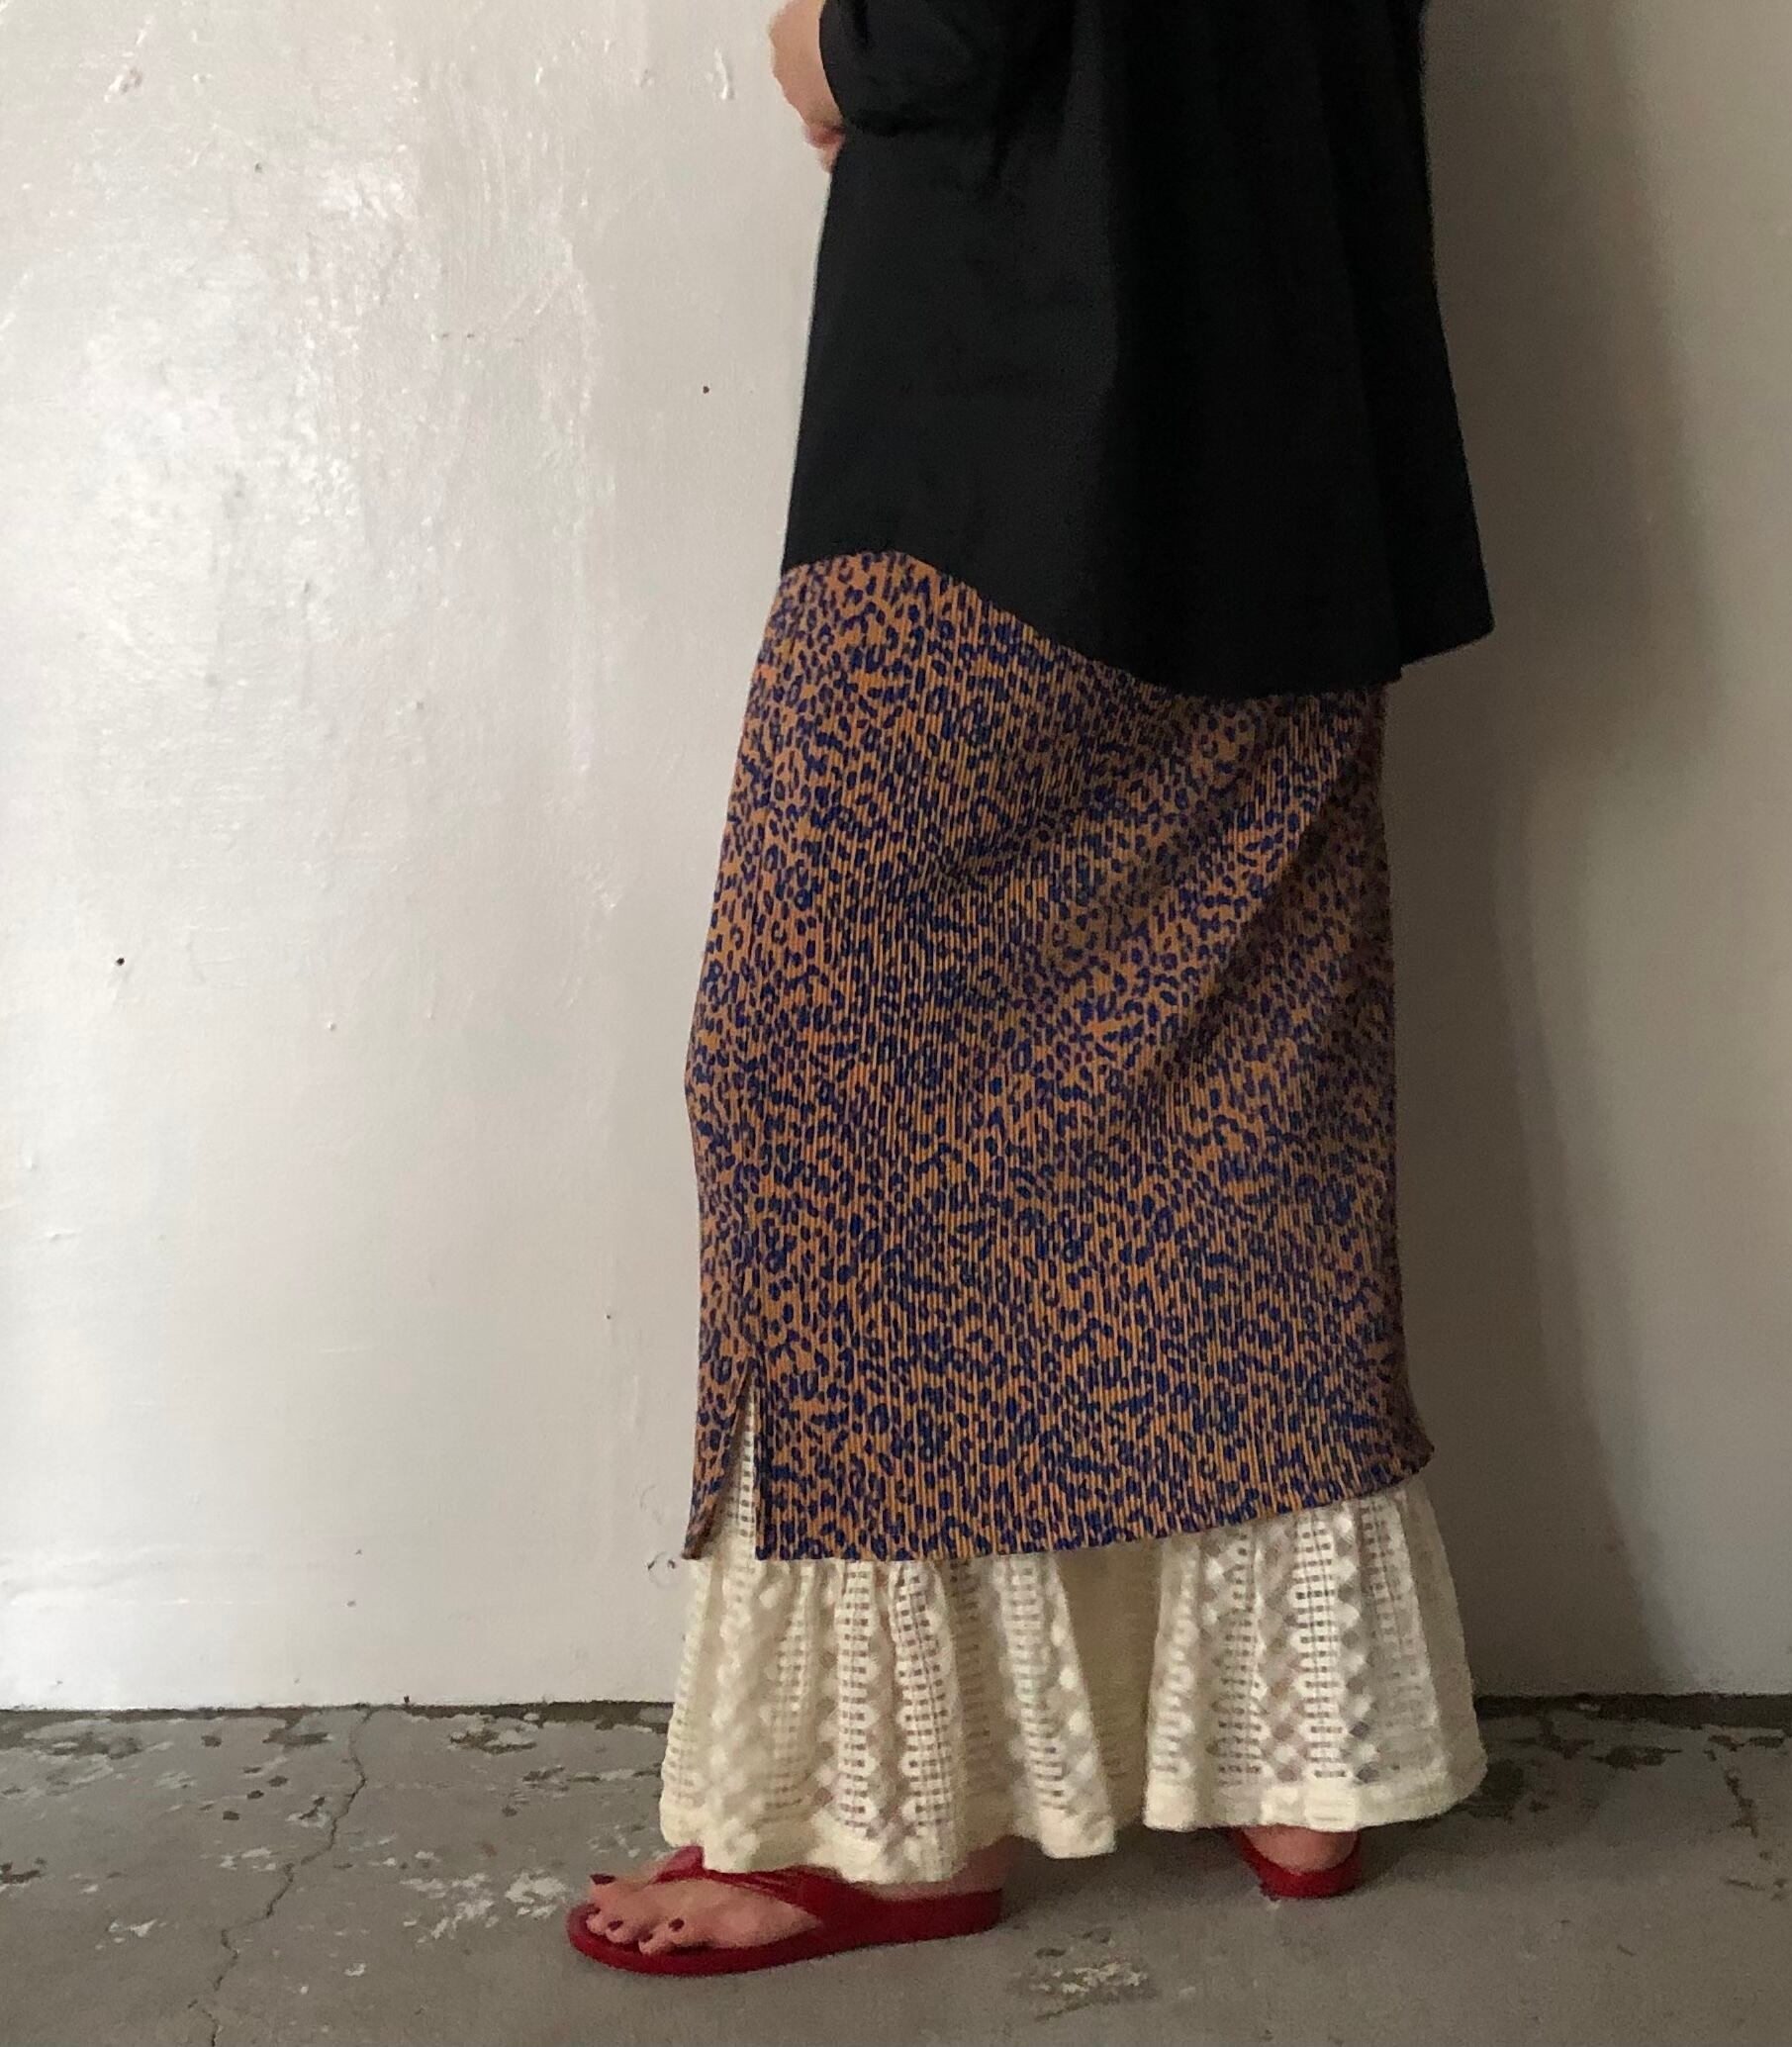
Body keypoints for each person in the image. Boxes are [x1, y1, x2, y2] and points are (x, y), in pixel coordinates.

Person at [569, 0, 1495, 1977]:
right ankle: (1298, 1751)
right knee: (1245, 1078)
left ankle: (896, 1814)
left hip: (1014, 437)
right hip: (1302, 418)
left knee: (810, 1079)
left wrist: (831, 46)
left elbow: (954, 24)